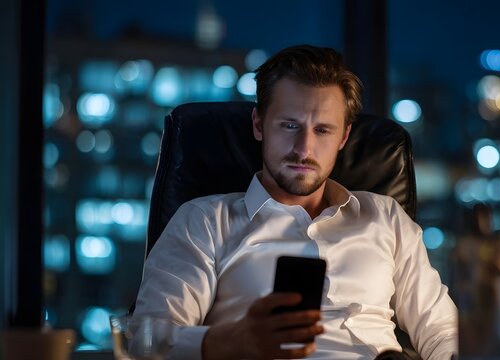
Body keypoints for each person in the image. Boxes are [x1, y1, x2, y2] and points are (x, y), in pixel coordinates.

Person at [133, 44, 458, 360]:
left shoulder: (386, 216)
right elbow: (147, 338)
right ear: (259, 125)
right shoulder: (204, 221)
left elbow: (442, 330)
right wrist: (233, 341)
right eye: (290, 126)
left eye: (323, 130)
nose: (304, 149)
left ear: (343, 137)